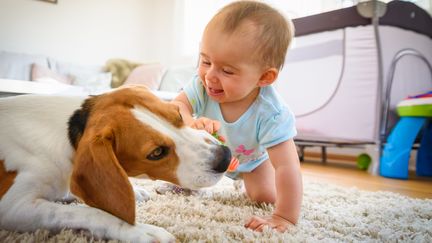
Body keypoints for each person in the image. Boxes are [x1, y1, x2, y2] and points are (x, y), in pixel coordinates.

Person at [172, 0, 302, 233]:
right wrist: (190, 123)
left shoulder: (271, 113)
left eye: (227, 70)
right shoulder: (202, 87)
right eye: (206, 61)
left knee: (265, 196)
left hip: (252, 160)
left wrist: (285, 216)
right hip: (206, 153)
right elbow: (176, 107)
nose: (210, 75)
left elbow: (287, 166)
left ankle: (251, 187)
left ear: (264, 77)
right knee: (178, 150)